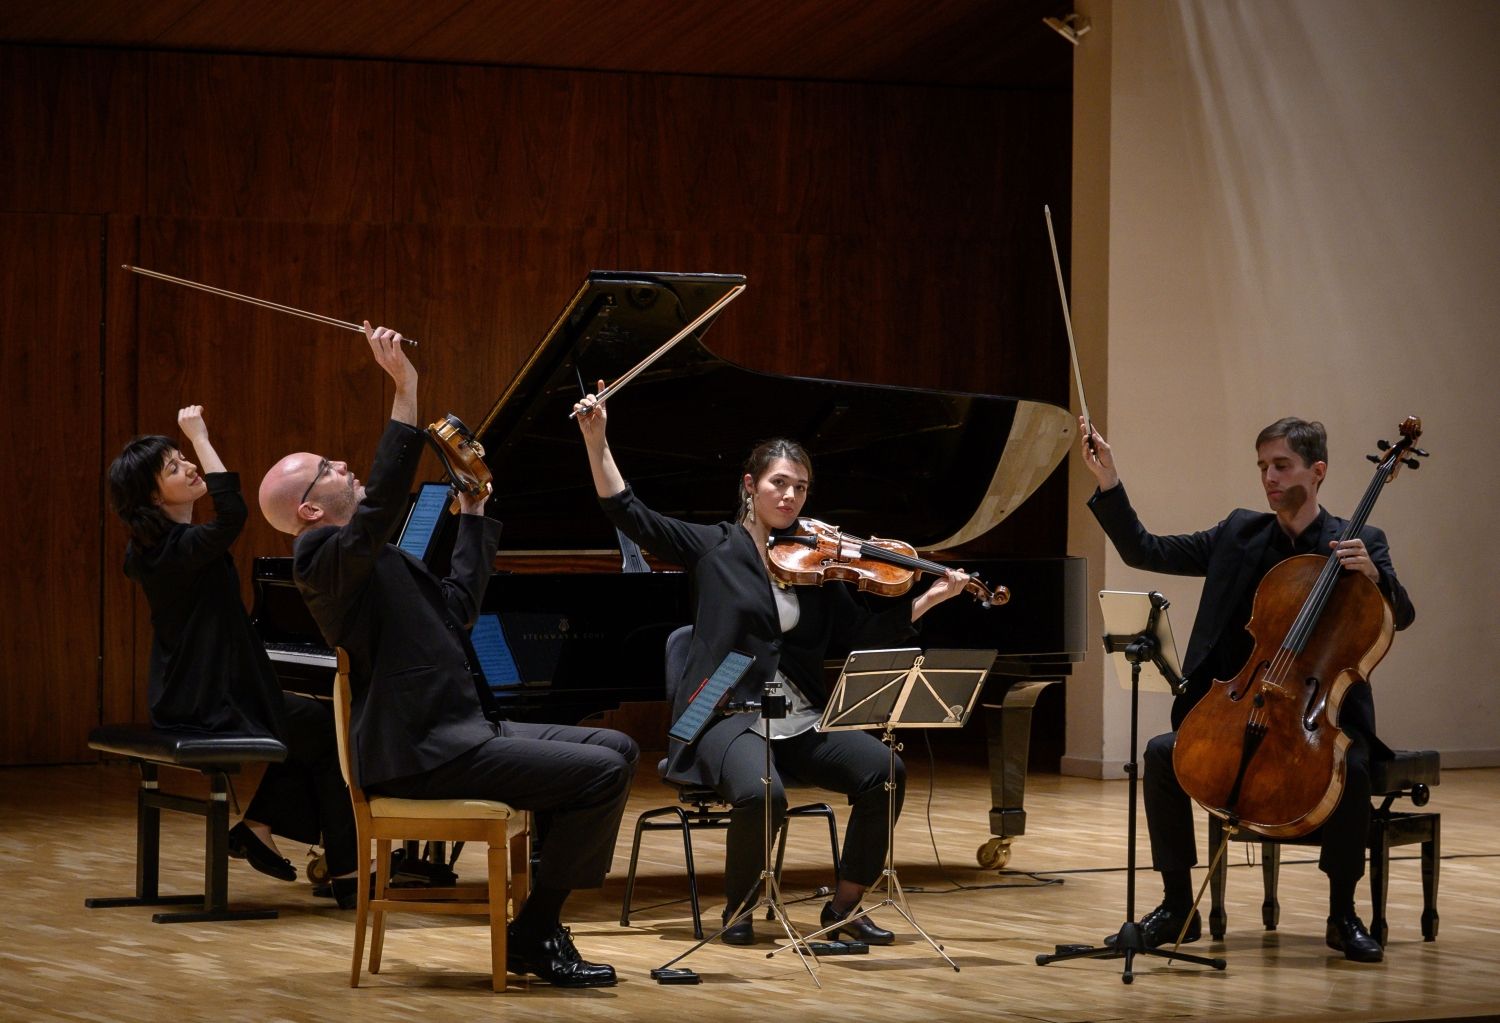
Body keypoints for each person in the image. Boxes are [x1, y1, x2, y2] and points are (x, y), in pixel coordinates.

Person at [258, 325, 636, 988]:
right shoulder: (319, 559)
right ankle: (537, 930)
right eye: (329, 468)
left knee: (619, 752)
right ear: (310, 506)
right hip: (425, 753)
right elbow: (375, 509)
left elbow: (458, 605)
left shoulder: (377, 558)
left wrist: (471, 513)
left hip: (457, 734)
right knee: (597, 776)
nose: (344, 465)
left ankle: (536, 917)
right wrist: (405, 388)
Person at [573, 383, 971, 946]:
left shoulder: (816, 561)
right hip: (719, 714)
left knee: (885, 772)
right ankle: (738, 912)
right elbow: (629, 511)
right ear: (750, 486)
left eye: (800, 487)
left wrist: (928, 599)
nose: (789, 497)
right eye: (778, 483)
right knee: (764, 793)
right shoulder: (715, 546)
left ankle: (845, 907)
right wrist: (597, 440)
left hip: (799, 718)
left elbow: (861, 634)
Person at [1080, 415, 1415, 963]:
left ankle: (1342, 913)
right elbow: (1146, 550)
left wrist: (1378, 580)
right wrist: (1110, 482)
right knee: (1162, 754)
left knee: (1348, 768)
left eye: (1282, 465)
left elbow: (1401, 616)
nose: (1270, 477)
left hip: (1316, 716)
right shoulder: (1238, 533)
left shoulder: (1359, 544)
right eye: (1263, 466)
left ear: (1318, 470)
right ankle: (1174, 907)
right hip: (1242, 708)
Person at [107, 405, 357, 903]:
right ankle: (347, 876)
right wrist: (199, 435)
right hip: (212, 700)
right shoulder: (178, 548)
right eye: (175, 467)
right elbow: (234, 513)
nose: (190, 467)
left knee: (316, 731)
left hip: (195, 691)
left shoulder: (154, 548)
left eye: (183, 458)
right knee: (332, 736)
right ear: (155, 496)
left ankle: (261, 828)